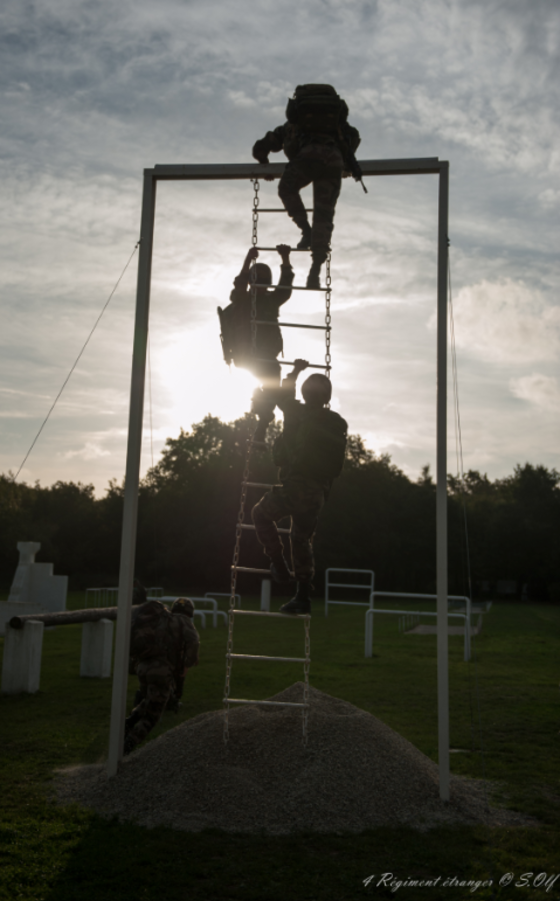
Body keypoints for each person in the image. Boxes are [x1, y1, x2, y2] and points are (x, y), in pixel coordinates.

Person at [252, 359, 348, 614]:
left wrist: (295, 371)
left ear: (305, 393)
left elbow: (283, 393)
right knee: (301, 539)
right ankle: (303, 596)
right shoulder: (335, 421)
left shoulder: (296, 412)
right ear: (327, 397)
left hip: (296, 487)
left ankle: (278, 565)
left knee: (259, 515)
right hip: (317, 493)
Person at [252, 84, 361, 289]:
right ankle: (315, 271)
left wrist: (263, 163)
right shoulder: (339, 127)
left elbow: (262, 146)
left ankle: (305, 230)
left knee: (287, 189)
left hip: (307, 158)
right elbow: (354, 137)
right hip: (333, 161)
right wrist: (346, 160)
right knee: (324, 215)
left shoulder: (292, 126)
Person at [218, 244, 294, 443]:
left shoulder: (270, 299)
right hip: (247, 355)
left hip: (265, 357)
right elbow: (240, 284)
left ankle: (263, 422)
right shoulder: (243, 300)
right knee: (271, 379)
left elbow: (285, 288)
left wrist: (285, 259)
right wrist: (248, 258)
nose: (261, 287)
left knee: (271, 387)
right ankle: (263, 416)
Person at [124, 597, 200, 755]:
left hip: (143, 668)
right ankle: (126, 747)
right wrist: (186, 665)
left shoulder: (162, 621)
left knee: (149, 700)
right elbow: (193, 641)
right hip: (161, 671)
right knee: (152, 715)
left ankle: (129, 722)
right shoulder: (182, 621)